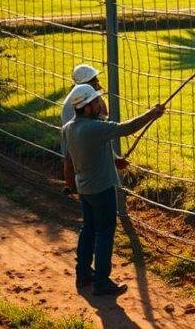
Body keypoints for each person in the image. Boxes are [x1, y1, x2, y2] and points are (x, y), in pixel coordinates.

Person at [62, 84, 165, 296]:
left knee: (88, 229)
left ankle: (83, 274)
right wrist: (152, 114)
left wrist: (114, 160)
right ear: (87, 107)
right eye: (96, 101)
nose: (100, 103)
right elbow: (126, 128)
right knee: (105, 233)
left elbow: (79, 156)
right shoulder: (95, 128)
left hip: (85, 189)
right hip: (102, 189)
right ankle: (101, 281)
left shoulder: (69, 128)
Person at [61, 64, 126, 193]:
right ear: (85, 84)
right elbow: (95, 132)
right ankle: (73, 188)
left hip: (86, 140)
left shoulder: (87, 97)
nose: (98, 82)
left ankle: (80, 192)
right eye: (94, 80)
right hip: (78, 143)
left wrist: (113, 158)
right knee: (72, 160)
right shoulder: (78, 104)